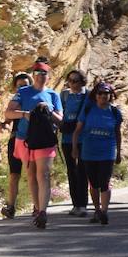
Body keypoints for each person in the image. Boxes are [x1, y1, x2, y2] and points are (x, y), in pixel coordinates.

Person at [5, 60, 62, 229]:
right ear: (33, 75)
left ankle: (43, 211)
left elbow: (61, 121)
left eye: (44, 73)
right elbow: (8, 113)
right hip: (25, 139)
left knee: (43, 174)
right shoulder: (23, 93)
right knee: (31, 175)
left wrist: (48, 112)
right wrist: (25, 114)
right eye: (37, 73)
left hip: (45, 139)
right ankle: (37, 208)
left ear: (48, 76)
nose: (41, 76)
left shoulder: (53, 95)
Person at [72, 82, 122, 225]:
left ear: (110, 95)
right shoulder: (88, 109)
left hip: (107, 151)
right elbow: (77, 131)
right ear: (95, 95)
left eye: (106, 93)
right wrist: (74, 148)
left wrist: (119, 152)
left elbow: (118, 133)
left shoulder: (114, 112)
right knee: (94, 183)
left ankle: (104, 212)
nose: (103, 96)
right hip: (89, 152)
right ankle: (97, 210)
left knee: (104, 182)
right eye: (100, 93)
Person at [59, 69, 91, 217]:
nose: (72, 84)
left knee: (83, 171)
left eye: (75, 81)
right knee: (71, 171)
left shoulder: (89, 95)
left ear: (82, 82)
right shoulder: (64, 95)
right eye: (70, 80)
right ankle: (75, 204)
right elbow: (60, 113)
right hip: (67, 137)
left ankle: (83, 204)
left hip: (84, 138)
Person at [0, 72, 30, 219]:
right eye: (19, 86)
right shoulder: (15, 102)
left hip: (31, 140)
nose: (22, 88)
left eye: (25, 85)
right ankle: (11, 206)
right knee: (14, 174)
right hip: (15, 139)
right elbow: (8, 119)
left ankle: (38, 206)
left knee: (33, 174)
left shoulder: (33, 100)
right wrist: (4, 124)